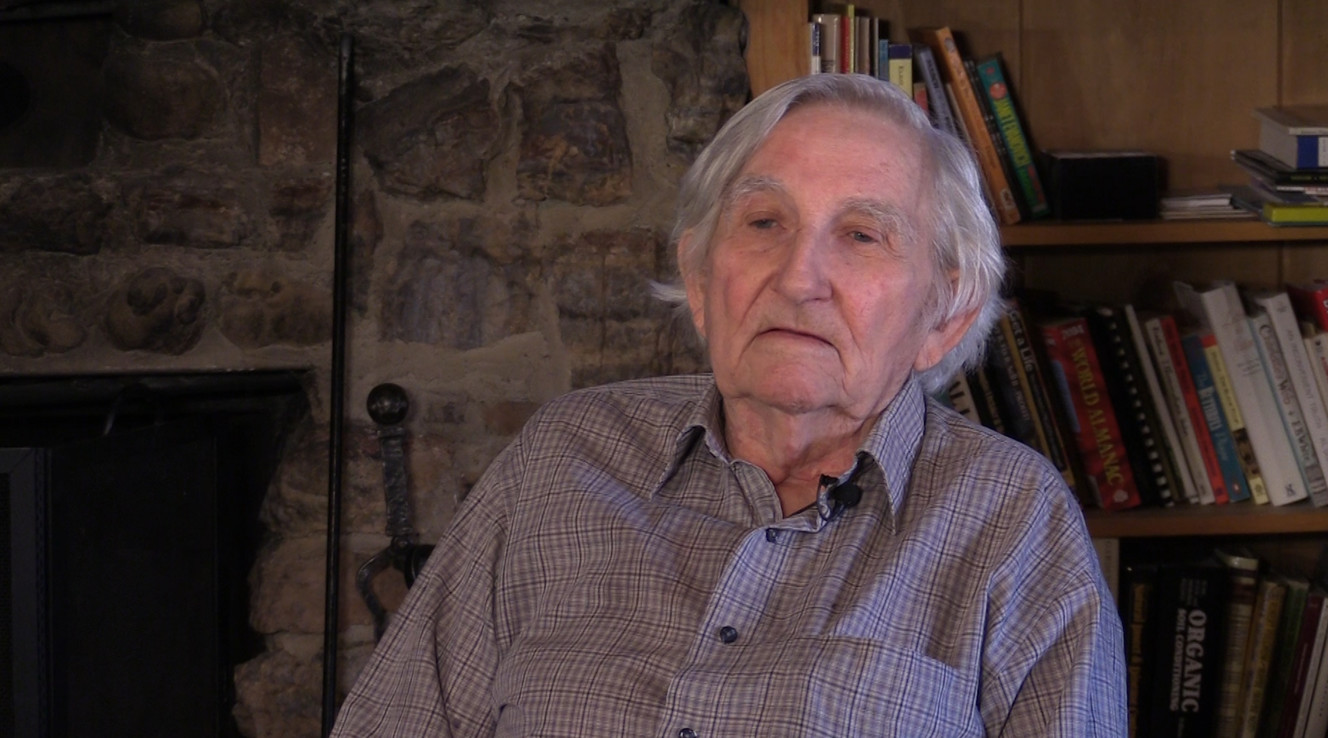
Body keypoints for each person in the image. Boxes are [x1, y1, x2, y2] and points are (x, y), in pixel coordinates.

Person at [331, 73, 1126, 737]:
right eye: (764, 221)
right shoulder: (561, 460)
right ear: (704, 278)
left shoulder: (1014, 523)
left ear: (944, 315)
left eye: (861, 235)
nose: (797, 276)